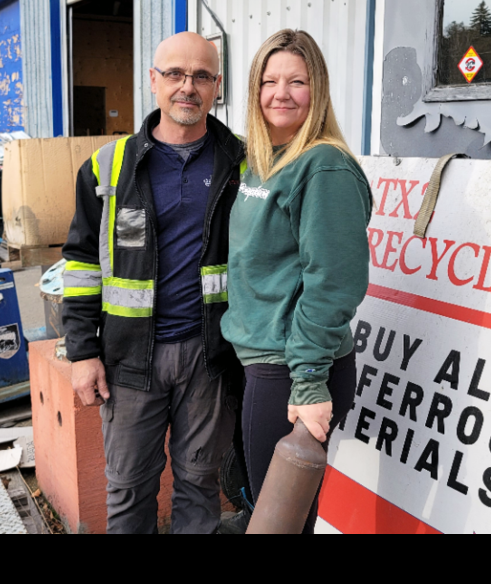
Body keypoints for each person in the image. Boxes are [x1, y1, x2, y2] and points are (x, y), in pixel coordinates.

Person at [62, 32, 244, 534]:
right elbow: (80, 264)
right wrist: (81, 353)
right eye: (176, 74)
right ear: (153, 81)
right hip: (128, 361)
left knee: (199, 483)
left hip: (210, 358)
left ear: (217, 86)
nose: (188, 86)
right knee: (128, 487)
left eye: (201, 76)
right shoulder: (107, 166)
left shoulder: (243, 165)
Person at [219, 29, 372, 534]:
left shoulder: (323, 166)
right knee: (271, 514)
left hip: (291, 370)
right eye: (269, 81)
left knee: (280, 523)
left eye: (297, 82)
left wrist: (308, 382)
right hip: (263, 361)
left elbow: (333, 284)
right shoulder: (262, 163)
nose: (280, 93)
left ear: (318, 91)